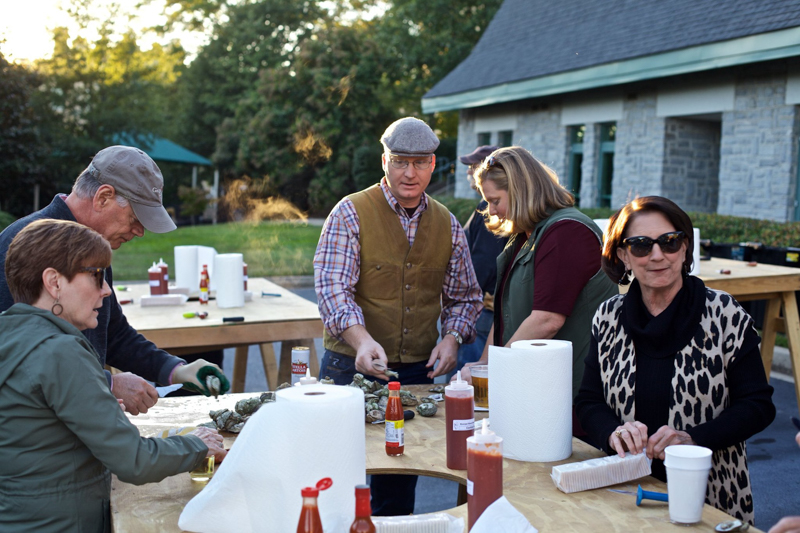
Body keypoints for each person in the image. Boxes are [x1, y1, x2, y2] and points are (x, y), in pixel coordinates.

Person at [0, 219, 227, 532]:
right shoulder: (60, 352)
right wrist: (197, 444)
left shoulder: (11, 333)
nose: (106, 290)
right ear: (54, 282)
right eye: (96, 276)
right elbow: (133, 460)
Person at [314, 117, 483, 515]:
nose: (410, 173)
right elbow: (332, 289)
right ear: (384, 160)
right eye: (400, 161)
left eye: (420, 162)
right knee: (332, 475)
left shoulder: (449, 224)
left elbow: (465, 298)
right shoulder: (350, 213)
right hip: (347, 367)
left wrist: (452, 338)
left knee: (398, 478)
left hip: (415, 375)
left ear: (432, 164)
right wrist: (360, 339)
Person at [575, 196, 775, 524]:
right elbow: (589, 400)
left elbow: (757, 405)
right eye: (640, 245)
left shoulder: (724, 314)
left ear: (685, 249)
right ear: (623, 255)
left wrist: (692, 438)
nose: (657, 255)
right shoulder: (608, 317)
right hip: (624, 491)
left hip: (708, 497)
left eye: (669, 242)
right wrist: (613, 433)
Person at [0, 146, 229, 415]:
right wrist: (106, 385)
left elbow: (113, 333)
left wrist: (175, 370)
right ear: (104, 197)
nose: (140, 231)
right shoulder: (24, 246)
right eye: (135, 218)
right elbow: (15, 362)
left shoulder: (90, 245)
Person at [461, 146, 617, 406]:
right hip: (537, 388)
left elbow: (547, 320)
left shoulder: (566, 232)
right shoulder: (527, 234)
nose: (491, 211)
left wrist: (494, 369)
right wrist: (483, 364)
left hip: (571, 398)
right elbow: (505, 313)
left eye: (495, 201)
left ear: (521, 190)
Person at [454, 145, 507, 373]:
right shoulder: (490, 205)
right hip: (486, 309)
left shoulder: (490, 210)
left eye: (473, 167)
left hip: (483, 311)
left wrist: (466, 298)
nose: (469, 173)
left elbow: (484, 262)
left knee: (471, 377)